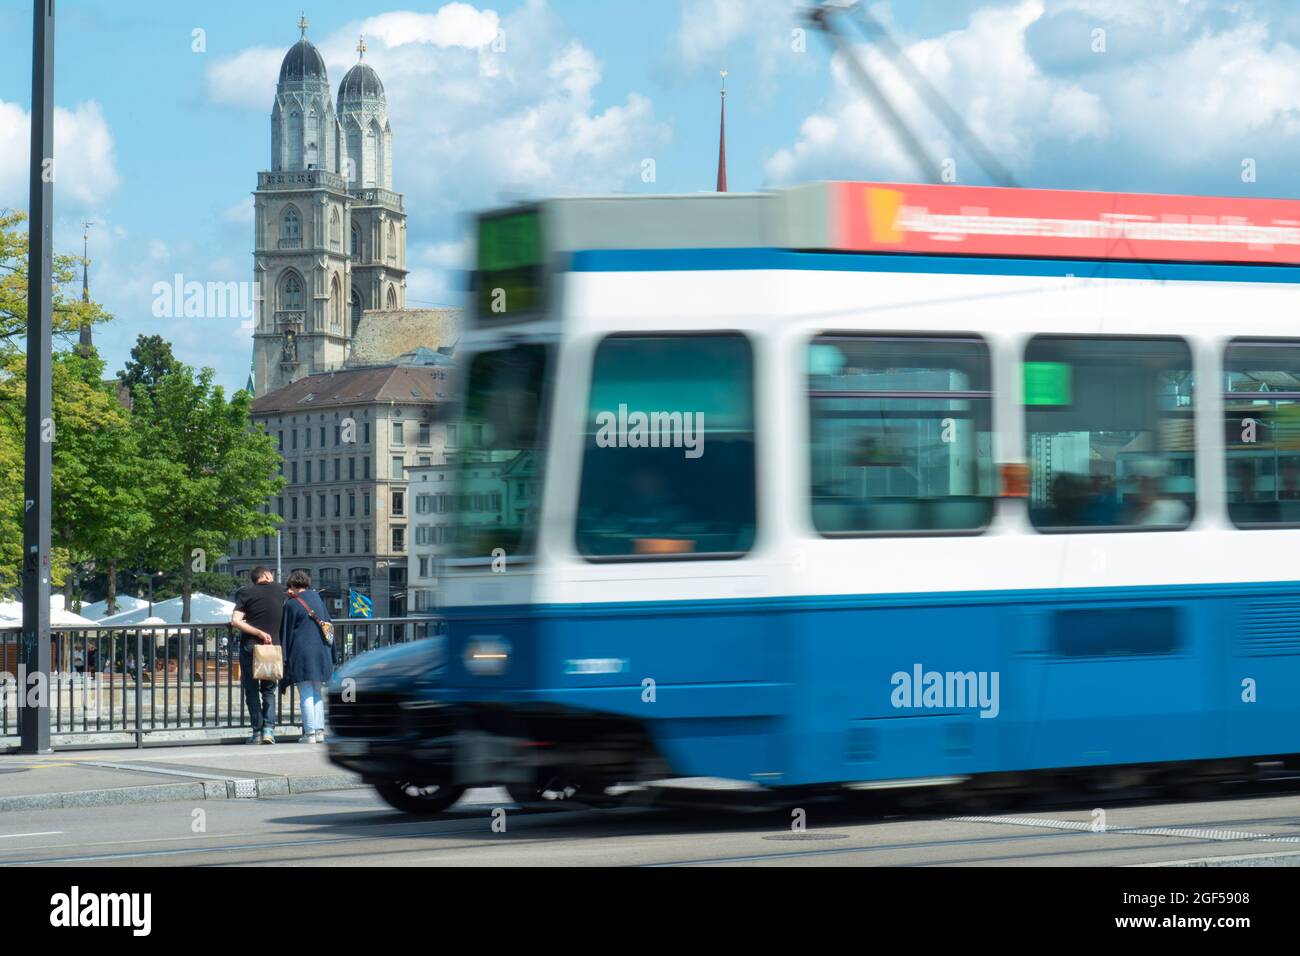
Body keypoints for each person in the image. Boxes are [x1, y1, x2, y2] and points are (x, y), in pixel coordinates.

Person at [231, 566, 286, 744]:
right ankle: (269, 730)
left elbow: (235, 621)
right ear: (267, 575)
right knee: (269, 690)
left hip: (250, 646)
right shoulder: (280, 590)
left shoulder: (246, 592)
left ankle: (257, 732)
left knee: (252, 691)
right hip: (272, 648)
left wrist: (258, 633)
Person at [279, 570, 334, 744]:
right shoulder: (318, 599)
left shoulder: (291, 604)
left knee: (305, 694)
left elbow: (285, 633)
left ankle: (309, 733)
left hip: (301, 653)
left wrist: (284, 657)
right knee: (317, 692)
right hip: (321, 652)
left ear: (293, 586)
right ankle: (319, 731)